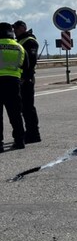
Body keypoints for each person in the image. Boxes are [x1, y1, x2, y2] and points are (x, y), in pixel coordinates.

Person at [13, 20, 41, 143]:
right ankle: (29, 132)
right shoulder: (19, 41)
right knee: (23, 107)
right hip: (20, 78)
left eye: (17, 28)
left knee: (28, 107)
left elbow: (31, 61)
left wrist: (26, 77)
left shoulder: (29, 41)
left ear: (23, 28)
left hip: (26, 79)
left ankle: (33, 134)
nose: (14, 31)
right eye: (14, 29)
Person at [0, 22, 27, 152]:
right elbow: (26, 66)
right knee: (15, 114)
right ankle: (20, 140)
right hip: (13, 83)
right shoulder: (19, 47)